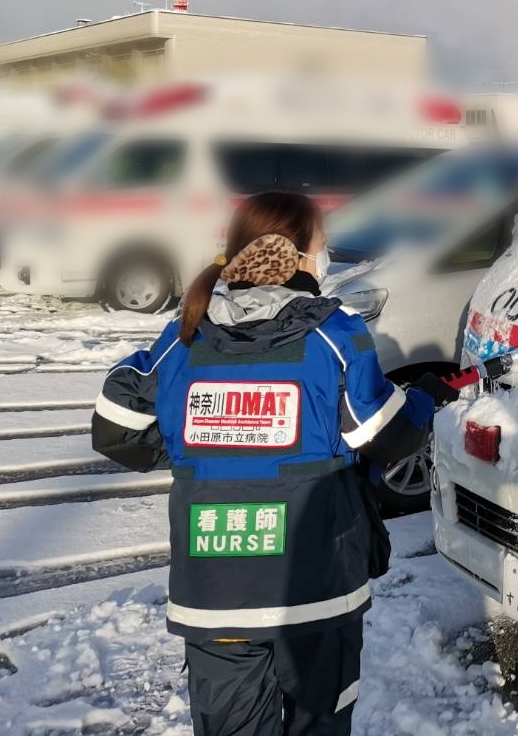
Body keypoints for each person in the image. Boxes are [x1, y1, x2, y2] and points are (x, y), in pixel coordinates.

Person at [91, 191, 457, 736]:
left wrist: (197, 446)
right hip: (317, 588)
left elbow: (115, 426)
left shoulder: (185, 335)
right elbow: (384, 437)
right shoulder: (335, 335)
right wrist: (426, 396)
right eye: (322, 246)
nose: (326, 255)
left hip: (214, 594)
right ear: (299, 256)